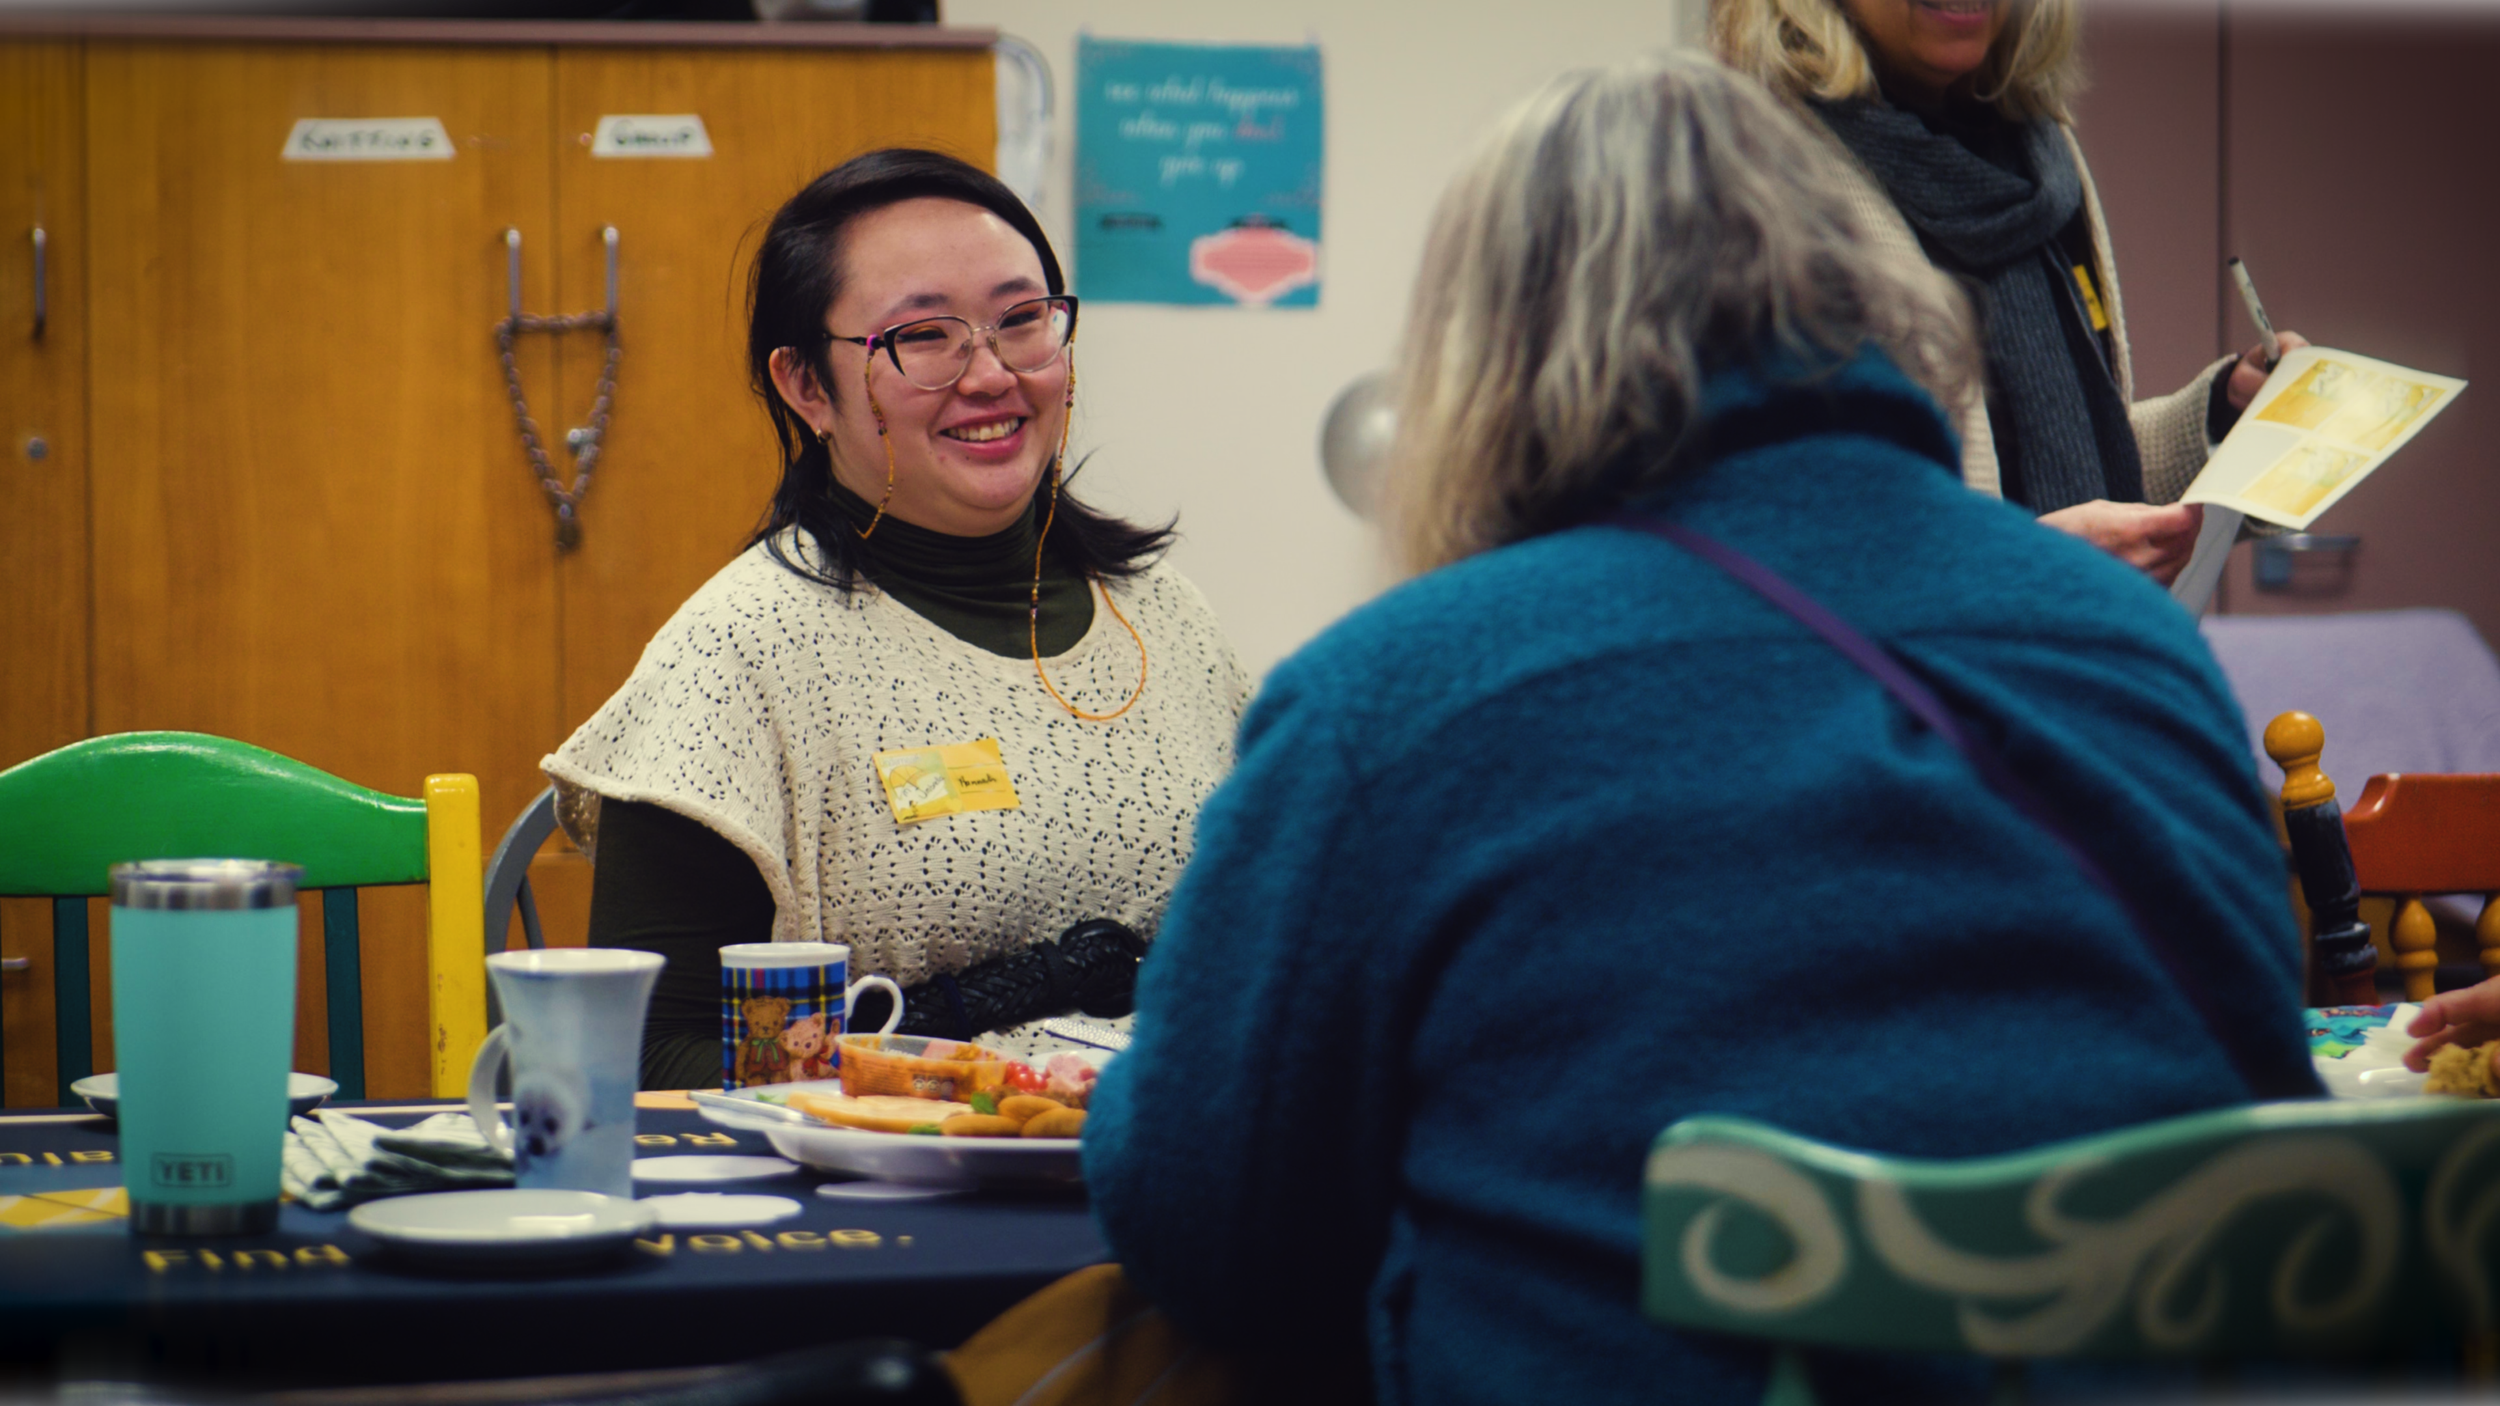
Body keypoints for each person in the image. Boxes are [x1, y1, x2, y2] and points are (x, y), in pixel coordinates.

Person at [1079, 54, 2320, 1405]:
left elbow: (1224, 1238)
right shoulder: (2127, 644)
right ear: (1879, 296)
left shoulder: (1397, 695)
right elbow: (2270, 1124)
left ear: (1490, 355)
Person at [544, 149, 1250, 1090]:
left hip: (1169, 1170)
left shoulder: (1166, 617)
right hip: (894, 1192)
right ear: (804, 386)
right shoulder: (740, 653)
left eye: (1022, 321)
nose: (992, 373)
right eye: (924, 336)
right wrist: (960, 1086)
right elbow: (647, 1054)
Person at [1711, 0, 2305, 585]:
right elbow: (1766, 545)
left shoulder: (2039, 154)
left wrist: (2222, 421)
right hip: (1925, 676)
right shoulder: (1754, 178)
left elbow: (2053, 470)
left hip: (2073, 656)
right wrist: (2021, 561)